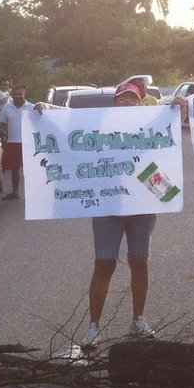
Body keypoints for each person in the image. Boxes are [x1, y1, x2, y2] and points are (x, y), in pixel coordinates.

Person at [80, 81, 159, 345]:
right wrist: (44, 109)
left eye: (132, 99)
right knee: (104, 263)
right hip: (108, 203)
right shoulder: (99, 126)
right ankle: (93, 326)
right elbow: (69, 127)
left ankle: (138, 320)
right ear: (115, 103)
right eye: (122, 99)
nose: (127, 103)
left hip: (142, 203)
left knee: (140, 261)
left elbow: (167, 139)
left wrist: (178, 108)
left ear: (139, 103)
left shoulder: (149, 127)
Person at [0, 84, 34, 199]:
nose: (18, 96)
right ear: (12, 95)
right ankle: (15, 192)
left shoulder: (32, 108)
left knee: (31, 169)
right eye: (16, 94)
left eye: (21, 94)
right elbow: (2, 126)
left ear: (24, 94)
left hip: (29, 143)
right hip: (12, 142)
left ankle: (33, 192)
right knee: (14, 169)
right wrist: (3, 142)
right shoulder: (6, 108)